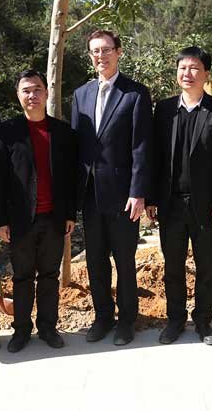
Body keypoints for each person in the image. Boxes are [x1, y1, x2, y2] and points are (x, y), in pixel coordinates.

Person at [147, 46, 212, 346]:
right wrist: (152, 198)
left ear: (206, 74)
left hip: (206, 206)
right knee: (172, 267)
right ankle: (175, 320)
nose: (188, 73)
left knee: (206, 267)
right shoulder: (164, 109)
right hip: (170, 204)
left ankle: (203, 321)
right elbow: (155, 158)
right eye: (183, 68)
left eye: (194, 68)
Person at [71, 30, 152, 346]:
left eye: (106, 50)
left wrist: (138, 192)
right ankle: (102, 317)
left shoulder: (135, 94)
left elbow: (141, 146)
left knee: (124, 260)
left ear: (118, 52)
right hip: (90, 195)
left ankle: (126, 321)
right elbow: (77, 146)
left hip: (123, 195)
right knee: (95, 260)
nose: (100, 56)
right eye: (95, 51)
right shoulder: (81, 94)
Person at [0, 70, 78, 353]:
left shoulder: (63, 132)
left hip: (54, 217)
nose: (32, 95)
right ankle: (21, 329)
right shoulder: (7, 132)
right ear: (18, 95)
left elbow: (70, 178)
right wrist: (1, 221)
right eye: (26, 90)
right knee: (22, 277)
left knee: (50, 276)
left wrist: (70, 214)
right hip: (20, 220)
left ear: (47, 92)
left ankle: (48, 327)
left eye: (37, 89)